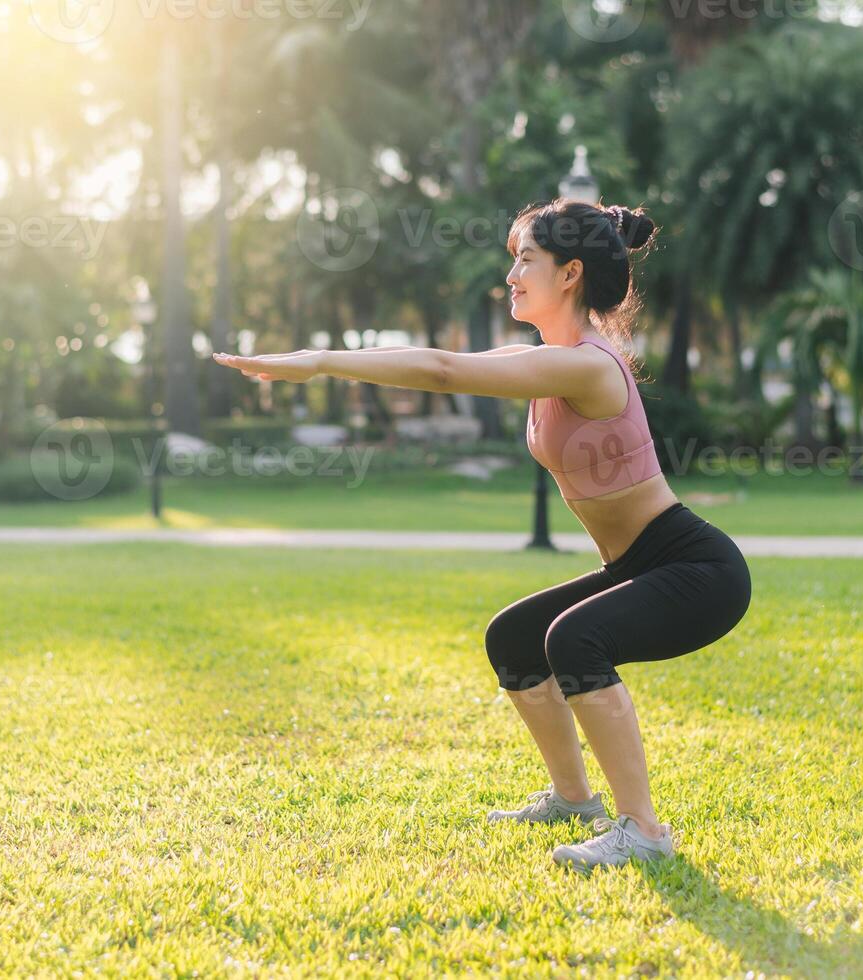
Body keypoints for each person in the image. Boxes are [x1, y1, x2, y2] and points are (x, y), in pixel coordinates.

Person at [213, 198, 752, 871]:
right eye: (512, 259)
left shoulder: (585, 364)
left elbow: (441, 372)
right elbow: (439, 362)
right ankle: (573, 798)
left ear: (570, 273)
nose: (511, 274)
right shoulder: (549, 358)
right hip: (640, 565)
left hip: (693, 569)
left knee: (574, 638)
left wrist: (319, 360)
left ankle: (642, 830)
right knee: (515, 640)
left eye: (526, 258)